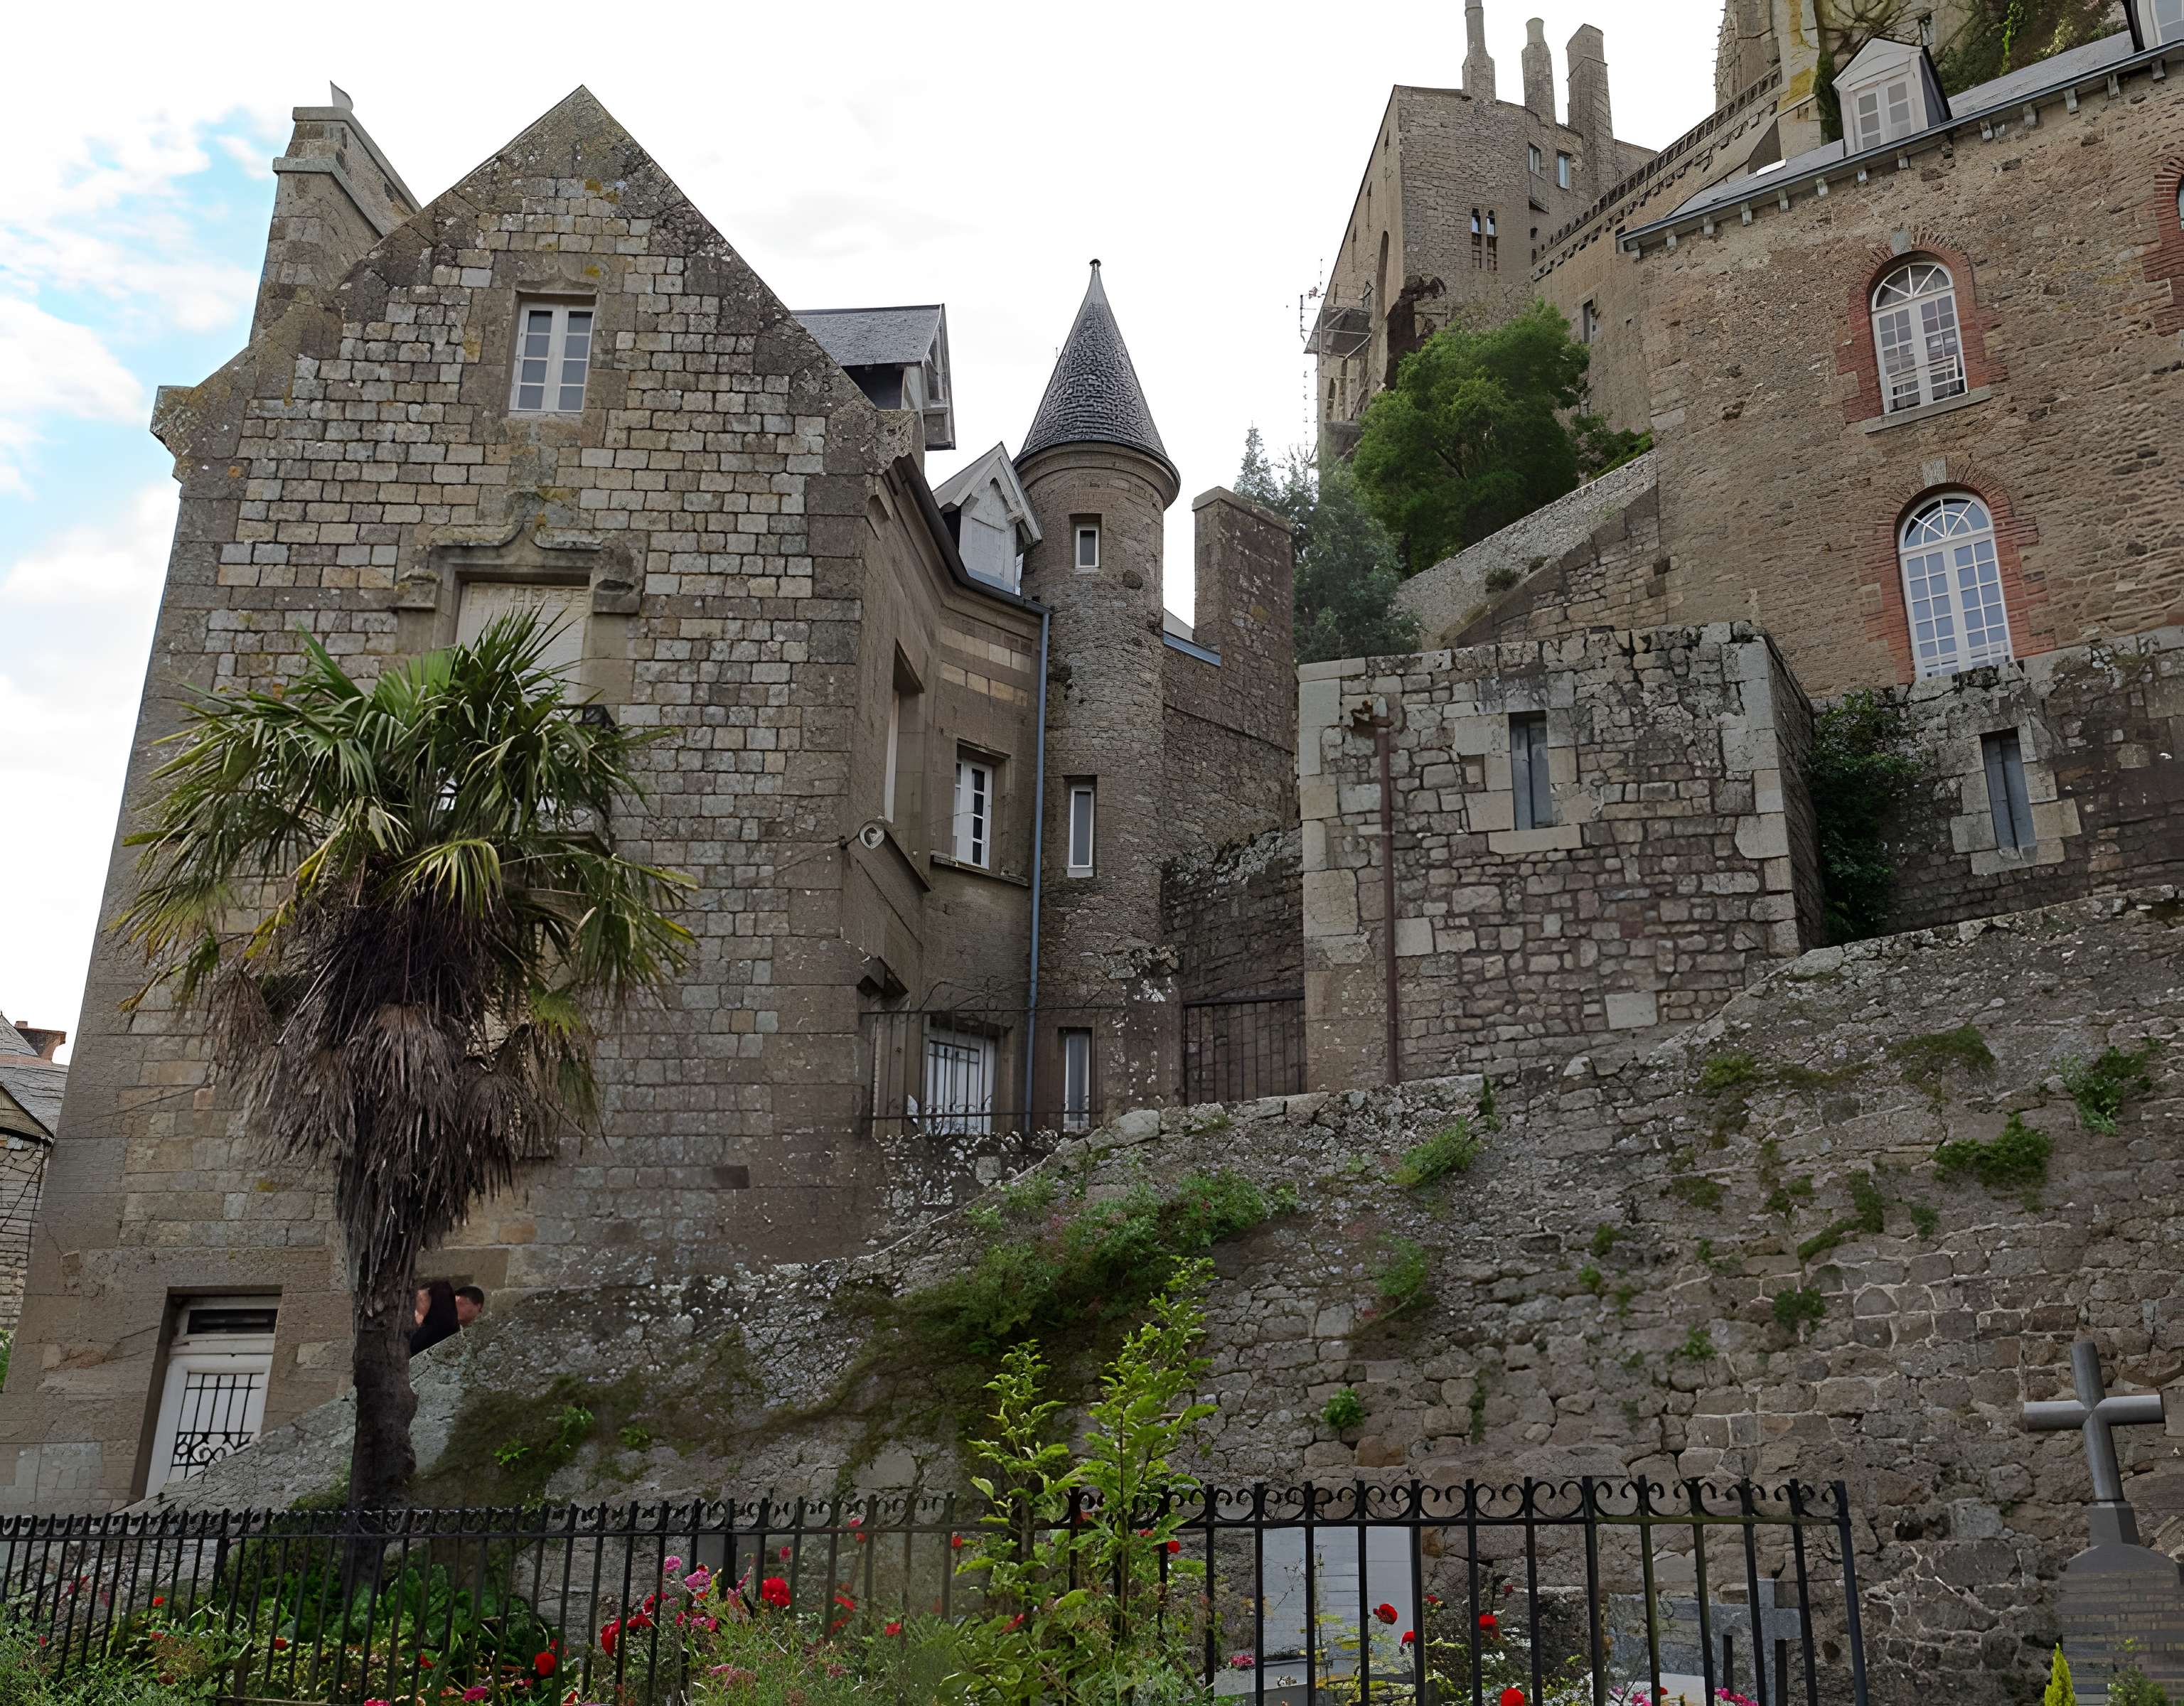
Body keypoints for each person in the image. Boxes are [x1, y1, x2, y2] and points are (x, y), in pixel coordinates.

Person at [408, 1278, 459, 1357]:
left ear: (436, 1302)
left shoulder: (424, 1337)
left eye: (421, 1300)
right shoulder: (456, 1329)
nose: (417, 1304)